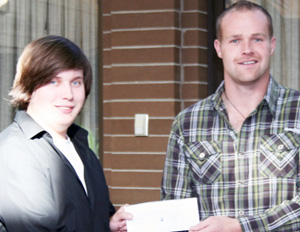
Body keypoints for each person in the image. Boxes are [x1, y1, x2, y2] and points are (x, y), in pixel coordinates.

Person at [161, 1, 300, 231]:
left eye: (257, 39)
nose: (247, 49)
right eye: (235, 40)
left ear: (272, 45)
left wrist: (241, 226)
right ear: (218, 47)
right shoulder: (187, 124)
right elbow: (175, 211)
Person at [0, 35, 132, 232]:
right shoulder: (14, 151)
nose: (68, 94)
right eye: (54, 82)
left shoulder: (79, 145)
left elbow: (86, 217)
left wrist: (108, 224)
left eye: (76, 82)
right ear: (29, 86)